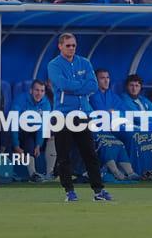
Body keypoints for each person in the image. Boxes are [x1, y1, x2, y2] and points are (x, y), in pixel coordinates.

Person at [47, 32, 112, 202]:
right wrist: (82, 86)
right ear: (60, 46)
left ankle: (98, 191)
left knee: (90, 154)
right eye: (68, 45)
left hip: (83, 114)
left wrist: (74, 87)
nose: (71, 48)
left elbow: (93, 85)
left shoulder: (84, 62)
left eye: (73, 45)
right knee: (64, 157)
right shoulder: (53, 65)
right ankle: (69, 191)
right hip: (63, 115)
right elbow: (62, 85)